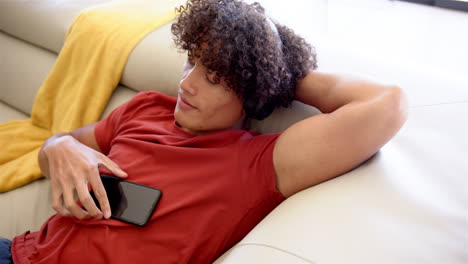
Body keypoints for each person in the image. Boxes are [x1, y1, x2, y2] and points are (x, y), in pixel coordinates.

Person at [4, 0, 408, 263]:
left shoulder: (256, 165)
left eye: (214, 77)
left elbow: (385, 105)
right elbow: (61, 145)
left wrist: (276, 75)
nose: (186, 84)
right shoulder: (145, 107)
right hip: (17, 252)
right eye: (190, 63)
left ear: (253, 94)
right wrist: (59, 146)